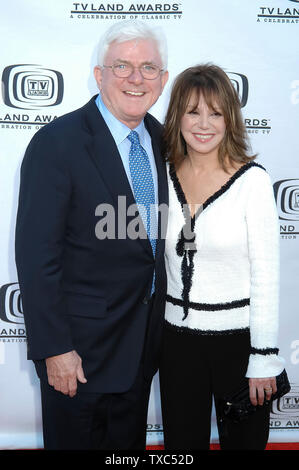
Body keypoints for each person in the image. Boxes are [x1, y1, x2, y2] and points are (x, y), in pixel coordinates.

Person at [15, 20, 169, 450]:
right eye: (122, 66)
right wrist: (54, 349)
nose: (136, 79)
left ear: (163, 80)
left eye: (148, 68)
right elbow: (35, 255)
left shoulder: (165, 141)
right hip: (78, 360)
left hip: (140, 354)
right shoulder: (57, 143)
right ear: (99, 75)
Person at [159, 64, 285, 450]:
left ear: (230, 118)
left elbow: (266, 276)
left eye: (216, 112)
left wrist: (262, 357)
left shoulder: (253, 181)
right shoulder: (160, 175)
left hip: (239, 345)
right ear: (177, 115)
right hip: (175, 343)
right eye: (193, 111)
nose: (204, 123)